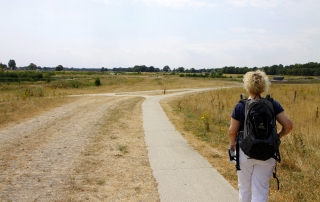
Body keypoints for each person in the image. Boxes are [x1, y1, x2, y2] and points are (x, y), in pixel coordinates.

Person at [228, 70, 293, 202]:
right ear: (264, 85)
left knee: (244, 188)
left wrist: (232, 144)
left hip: (245, 152)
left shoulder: (241, 105)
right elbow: (288, 125)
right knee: (260, 190)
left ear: (247, 85)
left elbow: (232, 131)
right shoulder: (272, 104)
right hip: (268, 152)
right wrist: (278, 136)